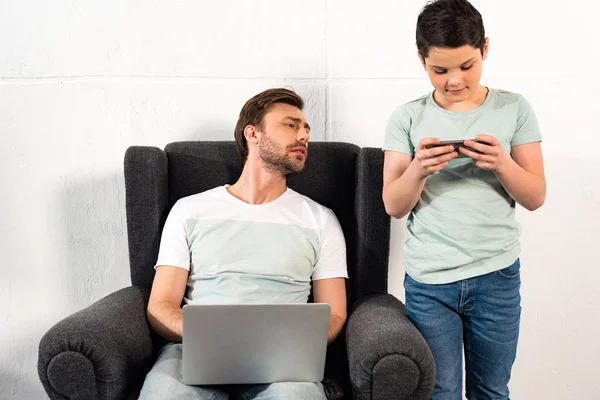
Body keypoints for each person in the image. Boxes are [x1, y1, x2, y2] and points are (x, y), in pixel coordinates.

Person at [382, 0, 546, 399]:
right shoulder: (406, 117)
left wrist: (502, 163)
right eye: (440, 70)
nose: (454, 81)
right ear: (421, 60)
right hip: (430, 281)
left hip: (498, 275)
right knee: (440, 392)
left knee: (491, 390)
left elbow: (535, 196)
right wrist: (419, 168)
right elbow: (393, 205)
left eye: (466, 66)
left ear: (485, 49)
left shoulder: (514, 108)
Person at [139, 88, 348, 400]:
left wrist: (288, 343)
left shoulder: (320, 219)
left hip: (283, 361)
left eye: (306, 128)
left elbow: (335, 314)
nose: (304, 135)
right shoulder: (189, 210)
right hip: (195, 350)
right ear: (253, 133)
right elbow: (161, 305)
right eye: (290, 125)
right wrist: (215, 336)